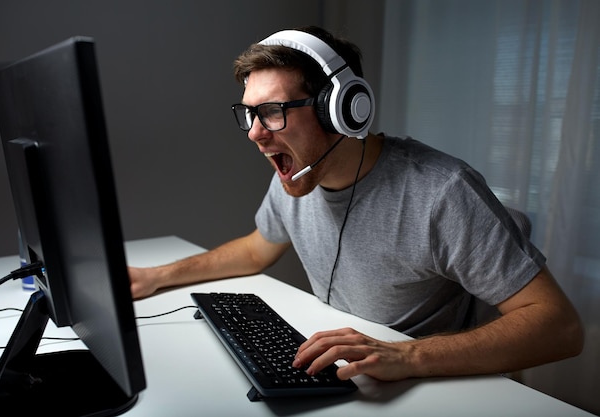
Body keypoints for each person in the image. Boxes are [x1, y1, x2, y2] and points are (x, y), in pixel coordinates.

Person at [129, 26, 583, 382]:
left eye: (273, 112)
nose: (255, 133)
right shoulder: (296, 173)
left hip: (424, 383)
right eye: (249, 113)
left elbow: (559, 327)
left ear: (342, 109)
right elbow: (255, 249)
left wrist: (407, 354)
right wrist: (157, 276)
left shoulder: (442, 192)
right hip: (351, 371)